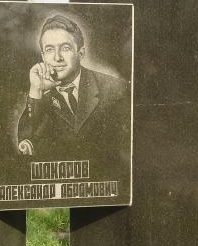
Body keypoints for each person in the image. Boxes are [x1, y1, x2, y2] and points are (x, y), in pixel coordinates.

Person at [17, 14, 130, 170]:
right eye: (49, 50)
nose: (57, 58)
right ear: (43, 56)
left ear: (80, 53)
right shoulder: (40, 95)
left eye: (65, 48)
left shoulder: (115, 88)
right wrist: (36, 90)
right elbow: (25, 146)